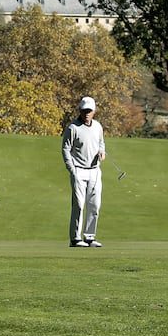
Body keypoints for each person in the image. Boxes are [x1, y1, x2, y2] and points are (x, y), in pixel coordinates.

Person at [62, 96, 105, 248]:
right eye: (84, 110)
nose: (86, 113)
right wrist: (71, 169)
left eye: (89, 110)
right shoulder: (73, 128)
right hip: (78, 170)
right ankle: (75, 238)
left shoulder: (98, 127)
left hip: (94, 170)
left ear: (94, 111)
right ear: (80, 110)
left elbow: (101, 143)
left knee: (94, 205)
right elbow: (66, 149)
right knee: (79, 205)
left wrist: (101, 151)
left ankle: (89, 237)